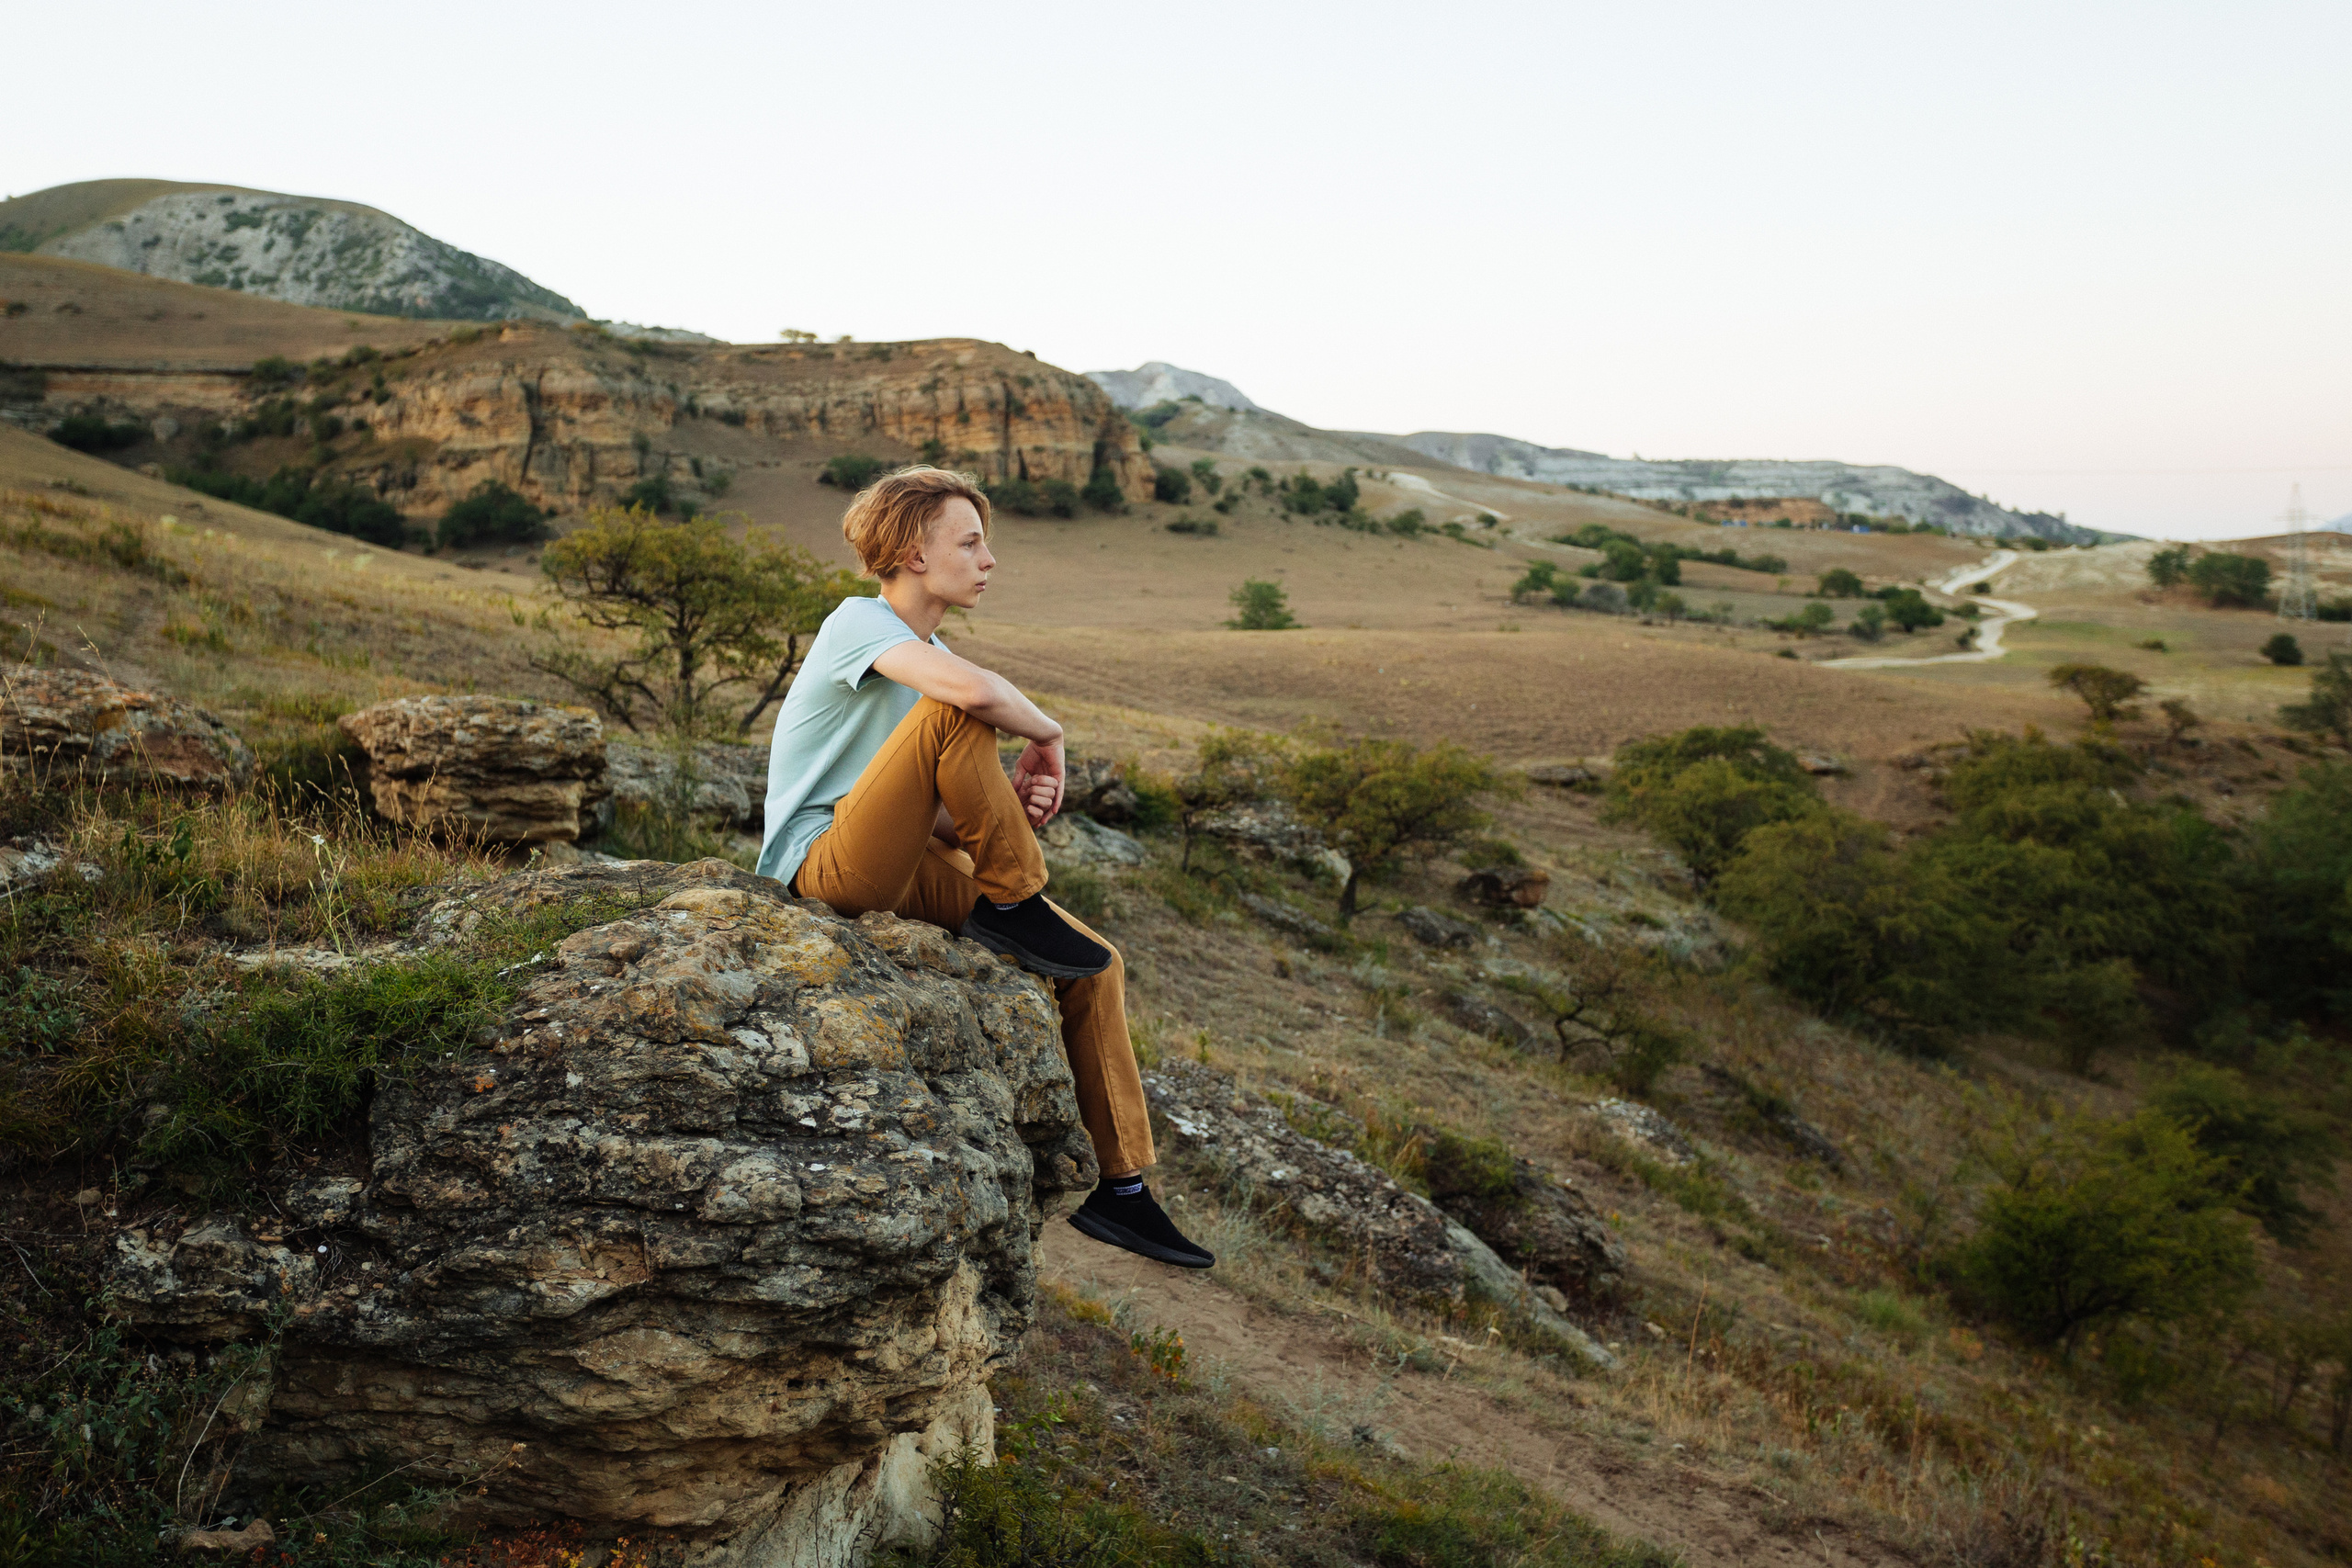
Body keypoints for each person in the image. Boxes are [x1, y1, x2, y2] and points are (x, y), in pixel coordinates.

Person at [756, 465, 1212, 1269]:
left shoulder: (927, 653)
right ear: (911, 552)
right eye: (970, 542)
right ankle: (1014, 899)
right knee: (962, 708)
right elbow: (968, 697)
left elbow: (913, 799)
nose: (989, 559)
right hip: (818, 872)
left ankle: (1125, 1191)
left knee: (1096, 963)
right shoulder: (858, 623)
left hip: (892, 861)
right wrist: (1051, 736)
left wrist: (997, 803)